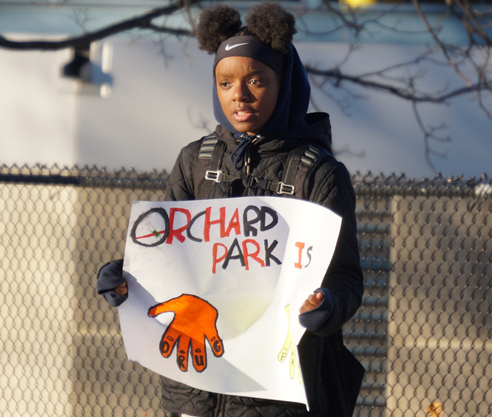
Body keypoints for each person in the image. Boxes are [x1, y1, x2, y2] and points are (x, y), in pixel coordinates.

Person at [97, 3, 365, 416]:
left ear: (285, 83)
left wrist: (326, 304)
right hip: (192, 389)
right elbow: (162, 260)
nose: (238, 95)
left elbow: (346, 278)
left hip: (277, 396)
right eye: (225, 82)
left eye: (256, 80)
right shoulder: (195, 161)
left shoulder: (320, 173)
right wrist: (124, 280)